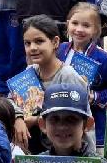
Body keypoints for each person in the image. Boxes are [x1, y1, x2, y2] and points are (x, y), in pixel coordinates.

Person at [13, 16, 88, 151]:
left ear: (55, 42)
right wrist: (18, 118)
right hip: (33, 151)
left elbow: (83, 121)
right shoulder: (30, 71)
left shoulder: (68, 76)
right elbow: (12, 101)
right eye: (27, 43)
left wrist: (36, 120)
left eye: (39, 41)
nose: (32, 48)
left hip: (64, 152)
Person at [58, 2, 107, 144]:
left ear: (96, 30)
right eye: (75, 23)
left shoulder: (103, 58)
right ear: (68, 24)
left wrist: (95, 97)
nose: (79, 29)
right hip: (60, 117)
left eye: (86, 25)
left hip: (93, 123)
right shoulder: (59, 50)